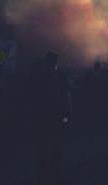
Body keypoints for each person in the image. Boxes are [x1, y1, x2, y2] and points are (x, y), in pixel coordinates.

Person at [31, 52, 71, 185]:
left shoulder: (40, 76)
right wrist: (67, 114)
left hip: (44, 116)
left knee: (43, 144)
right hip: (57, 115)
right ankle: (55, 173)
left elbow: (34, 97)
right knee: (56, 144)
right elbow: (67, 96)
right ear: (56, 62)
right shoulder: (60, 75)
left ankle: (42, 173)